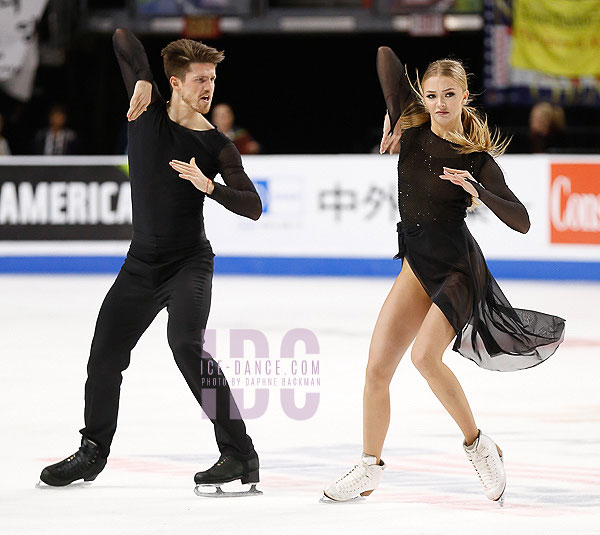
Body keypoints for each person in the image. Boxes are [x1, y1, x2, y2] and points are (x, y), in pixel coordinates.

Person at [323, 47, 565, 503]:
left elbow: (522, 220)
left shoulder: (475, 159)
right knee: (376, 369)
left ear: (465, 97)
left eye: (449, 94)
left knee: (424, 358)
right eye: (431, 95)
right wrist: (394, 117)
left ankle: (479, 445)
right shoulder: (410, 133)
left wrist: (478, 191)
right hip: (417, 263)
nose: (439, 103)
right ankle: (369, 467)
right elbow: (384, 58)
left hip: (458, 269)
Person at [39, 28, 263, 491]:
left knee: (185, 345)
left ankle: (240, 454)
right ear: (176, 82)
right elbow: (122, 37)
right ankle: (92, 451)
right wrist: (141, 78)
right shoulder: (145, 112)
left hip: (189, 264)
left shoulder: (216, 144)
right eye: (200, 78)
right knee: (104, 356)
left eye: (213, 79)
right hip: (141, 264)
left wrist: (209, 187)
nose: (209, 87)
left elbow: (253, 205)